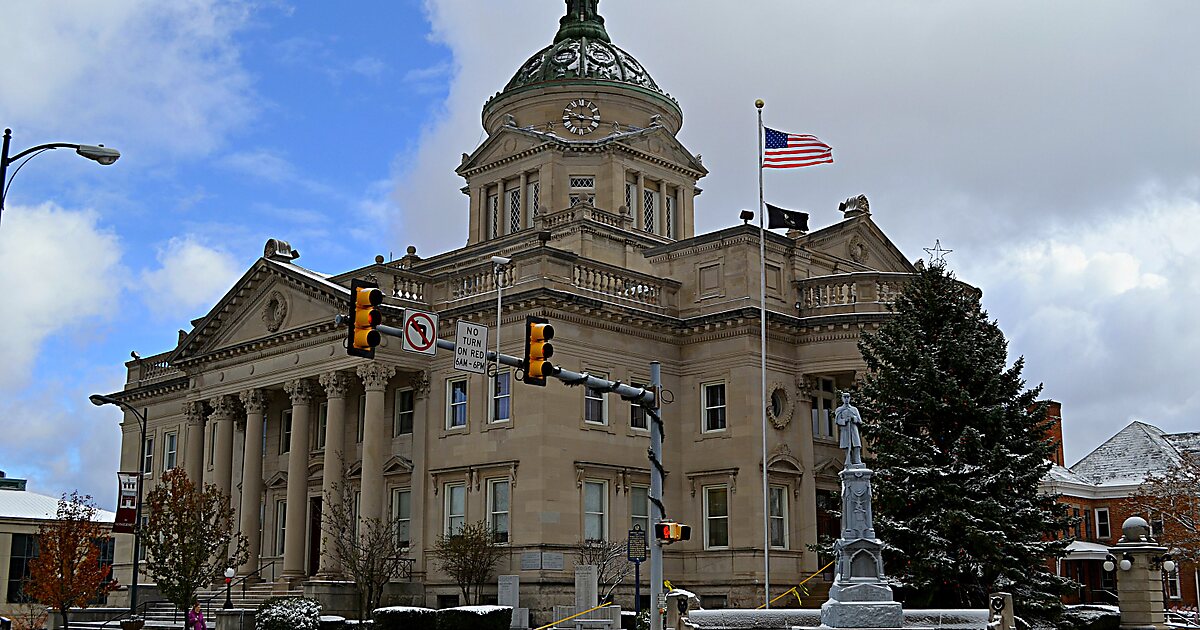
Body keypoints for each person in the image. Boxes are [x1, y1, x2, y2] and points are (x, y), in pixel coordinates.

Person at [834, 392, 863, 466]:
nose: (846, 399)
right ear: (842, 398)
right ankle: (848, 459)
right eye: (845, 397)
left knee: (856, 445)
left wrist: (854, 418)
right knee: (846, 445)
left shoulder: (854, 409)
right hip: (845, 429)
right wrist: (845, 420)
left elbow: (859, 420)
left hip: (853, 428)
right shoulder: (839, 410)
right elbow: (837, 420)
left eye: (848, 397)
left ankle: (857, 460)